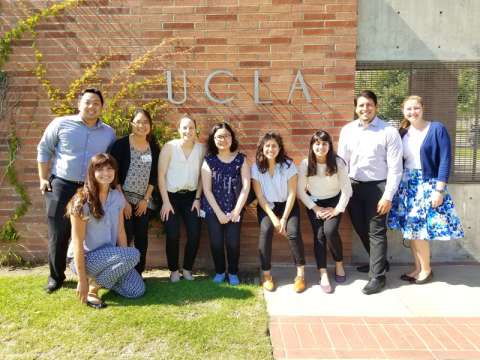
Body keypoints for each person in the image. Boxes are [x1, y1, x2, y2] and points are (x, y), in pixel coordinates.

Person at [37, 88, 116, 293]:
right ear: (79, 104)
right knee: (58, 231)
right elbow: (44, 149)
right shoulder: (61, 124)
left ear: (101, 107)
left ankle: (91, 275)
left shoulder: (108, 132)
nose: (91, 106)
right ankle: (56, 277)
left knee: (89, 232)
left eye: (96, 103)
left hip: (90, 187)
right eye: (88, 102)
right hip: (62, 184)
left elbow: (108, 161)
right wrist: (43, 178)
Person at [388, 95, 464, 284]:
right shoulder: (403, 132)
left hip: (427, 185)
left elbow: (445, 160)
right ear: (403, 111)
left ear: (422, 108)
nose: (412, 112)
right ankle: (417, 268)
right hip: (407, 185)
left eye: (416, 108)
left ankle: (426, 270)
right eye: (408, 109)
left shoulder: (436, 129)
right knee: (411, 230)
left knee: (419, 230)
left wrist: (439, 190)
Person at [338, 90, 403, 295]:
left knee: (376, 231)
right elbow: (341, 162)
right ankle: (379, 262)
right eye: (361, 105)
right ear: (355, 108)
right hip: (353, 187)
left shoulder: (388, 132)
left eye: (369, 105)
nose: (365, 109)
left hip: (378, 188)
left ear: (376, 106)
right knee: (360, 227)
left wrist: (388, 196)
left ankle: (377, 276)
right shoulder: (347, 130)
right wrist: (342, 190)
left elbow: (395, 168)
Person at [67, 153, 145, 308]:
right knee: (134, 254)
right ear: (92, 172)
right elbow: (77, 243)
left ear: (115, 171)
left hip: (111, 257)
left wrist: (124, 262)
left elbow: (121, 231)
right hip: (87, 258)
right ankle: (92, 288)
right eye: (100, 169)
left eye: (109, 169)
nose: (106, 173)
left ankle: (102, 279)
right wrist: (82, 279)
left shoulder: (117, 196)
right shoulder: (81, 201)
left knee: (137, 291)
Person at [297, 130, 352, 293]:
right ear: (312, 146)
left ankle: (339, 264)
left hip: (335, 201)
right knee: (319, 235)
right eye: (317, 143)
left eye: (324, 143)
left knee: (330, 231)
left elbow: (347, 190)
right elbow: (300, 191)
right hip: (314, 202)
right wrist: (315, 208)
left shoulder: (338, 163)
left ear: (329, 145)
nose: (321, 147)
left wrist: (336, 210)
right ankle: (323, 273)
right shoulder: (305, 164)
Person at [252, 132, 306, 293]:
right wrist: (274, 219)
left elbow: (292, 194)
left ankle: (300, 275)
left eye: (274, 145)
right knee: (266, 230)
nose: (270, 149)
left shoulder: (289, 165)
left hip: (288, 205)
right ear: (262, 148)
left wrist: (283, 219)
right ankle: (267, 275)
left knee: (294, 233)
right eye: (267, 145)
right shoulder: (255, 167)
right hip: (267, 207)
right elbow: (260, 196)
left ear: (280, 148)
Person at [109, 109, 160, 276]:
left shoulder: (153, 146)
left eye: (145, 122)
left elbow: (154, 175)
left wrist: (146, 199)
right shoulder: (121, 144)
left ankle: (138, 274)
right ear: (132, 124)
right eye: (138, 122)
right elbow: (113, 173)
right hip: (122, 198)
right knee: (125, 236)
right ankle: (121, 273)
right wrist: (123, 201)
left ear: (150, 126)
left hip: (143, 202)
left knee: (141, 238)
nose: (142, 125)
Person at [201, 122, 250, 286]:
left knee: (233, 242)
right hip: (213, 209)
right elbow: (206, 190)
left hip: (234, 209)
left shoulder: (241, 160)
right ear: (213, 139)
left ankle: (233, 272)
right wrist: (219, 213)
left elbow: (246, 186)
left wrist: (236, 211)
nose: (223, 139)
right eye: (219, 136)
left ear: (232, 137)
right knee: (215, 242)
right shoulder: (208, 161)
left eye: (226, 135)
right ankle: (220, 271)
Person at [158, 115, 205, 282]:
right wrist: (165, 201)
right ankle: (173, 270)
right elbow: (161, 175)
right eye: (184, 127)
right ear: (178, 129)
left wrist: (198, 198)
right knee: (172, 234)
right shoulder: (169, 147)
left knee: (194, 234)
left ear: (195, 129)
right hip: (171, 197)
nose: (188, 131)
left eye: (191, 127)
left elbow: (202, 177)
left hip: (192, 197)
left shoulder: (201, 149)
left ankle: (187, 269)